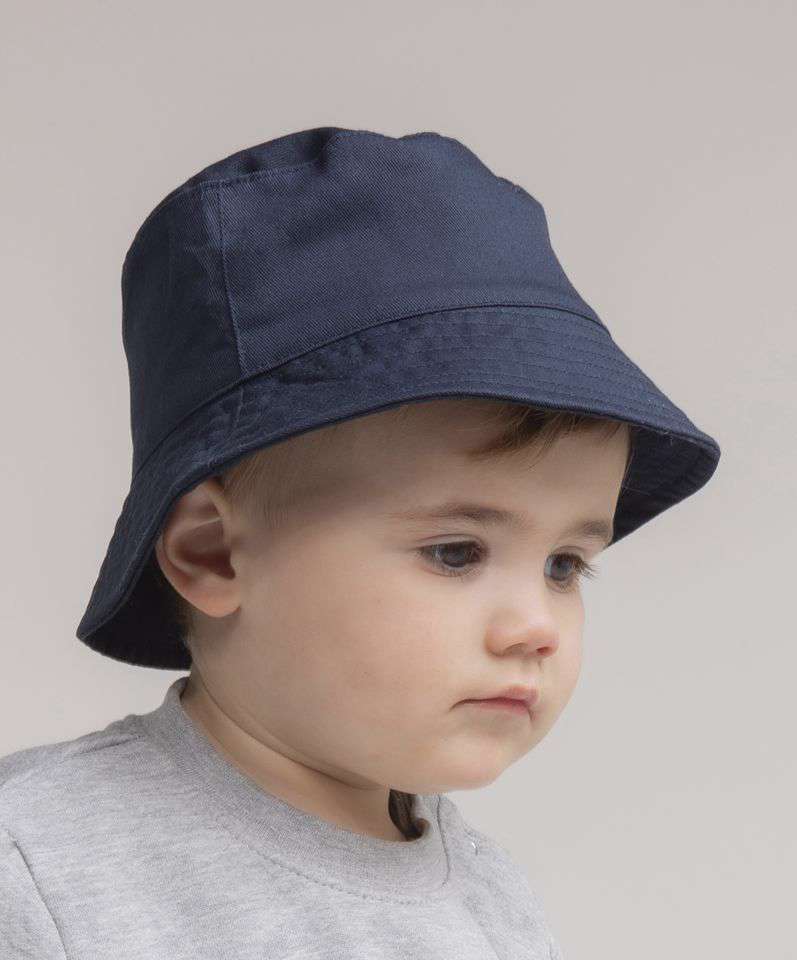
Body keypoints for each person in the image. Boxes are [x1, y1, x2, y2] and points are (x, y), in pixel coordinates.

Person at [0, 126, 721, 958]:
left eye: (564, 565)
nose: (535, 628)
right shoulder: (40, 864)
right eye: (456, 551)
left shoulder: (493, 902)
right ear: (213, 553)